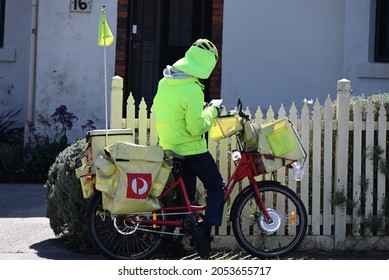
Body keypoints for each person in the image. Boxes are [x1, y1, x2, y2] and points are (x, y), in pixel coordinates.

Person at [153, 39, 225, 259]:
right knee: (216, 187)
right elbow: (195, 128)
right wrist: (212, 111)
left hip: (170, 146)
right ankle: (204, 232)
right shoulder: (193, 89)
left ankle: (174, 245)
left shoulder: (165, 81)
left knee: (185, 200)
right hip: (191, 149)